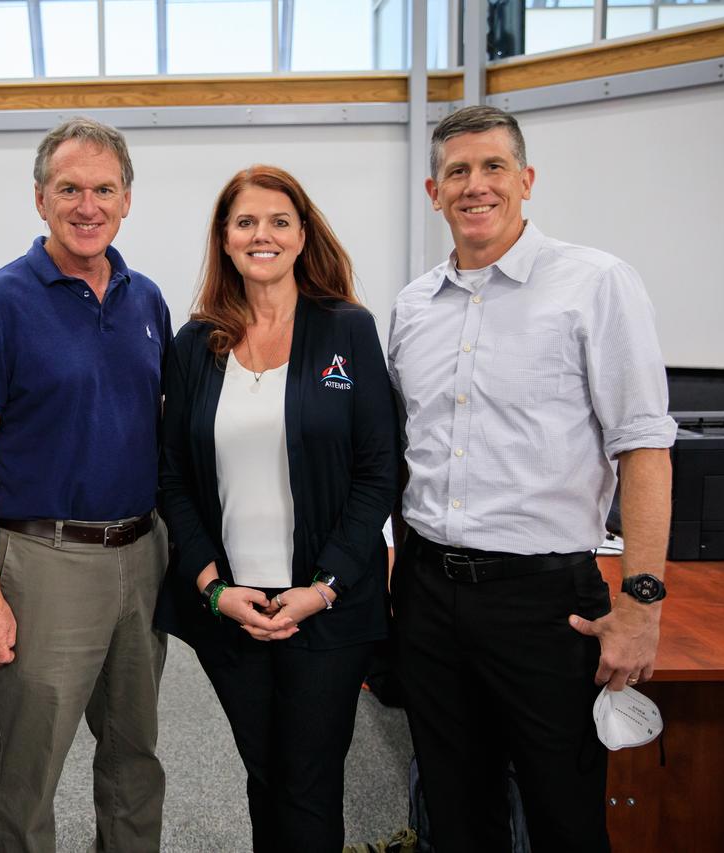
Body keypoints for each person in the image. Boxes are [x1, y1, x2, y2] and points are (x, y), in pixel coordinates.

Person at [388, 105, 675, 853]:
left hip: (544, 605)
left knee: (565, 816)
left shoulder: (595, 283)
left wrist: (642, 603)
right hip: (427, 593)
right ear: (433, 190)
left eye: (492, 167)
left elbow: (644, 447)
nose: (475, 185)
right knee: (454, 812)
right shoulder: (412, 308)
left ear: (526, 179)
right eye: (457, 171)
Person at [0, 117, 173, 853]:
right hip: (43, 563)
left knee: (135, 759)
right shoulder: (0, 302)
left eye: (104, 188)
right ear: (40, 198)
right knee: (27, 773)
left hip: (141, 555)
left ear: (128, 199)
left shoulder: (147, 301)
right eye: (69, 188)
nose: (87, 205)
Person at [156, 165, 398, 852]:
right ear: (225, 240)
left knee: (308, 781)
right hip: (233, 608)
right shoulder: (195, 345)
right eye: (245, 222)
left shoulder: (347, 330)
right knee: (266, 775)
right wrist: (213, 588)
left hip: (328, 602)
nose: (262, 234)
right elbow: (172, 478)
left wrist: (322, 588)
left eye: (278, 221)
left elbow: (378, 472)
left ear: (301, 235)